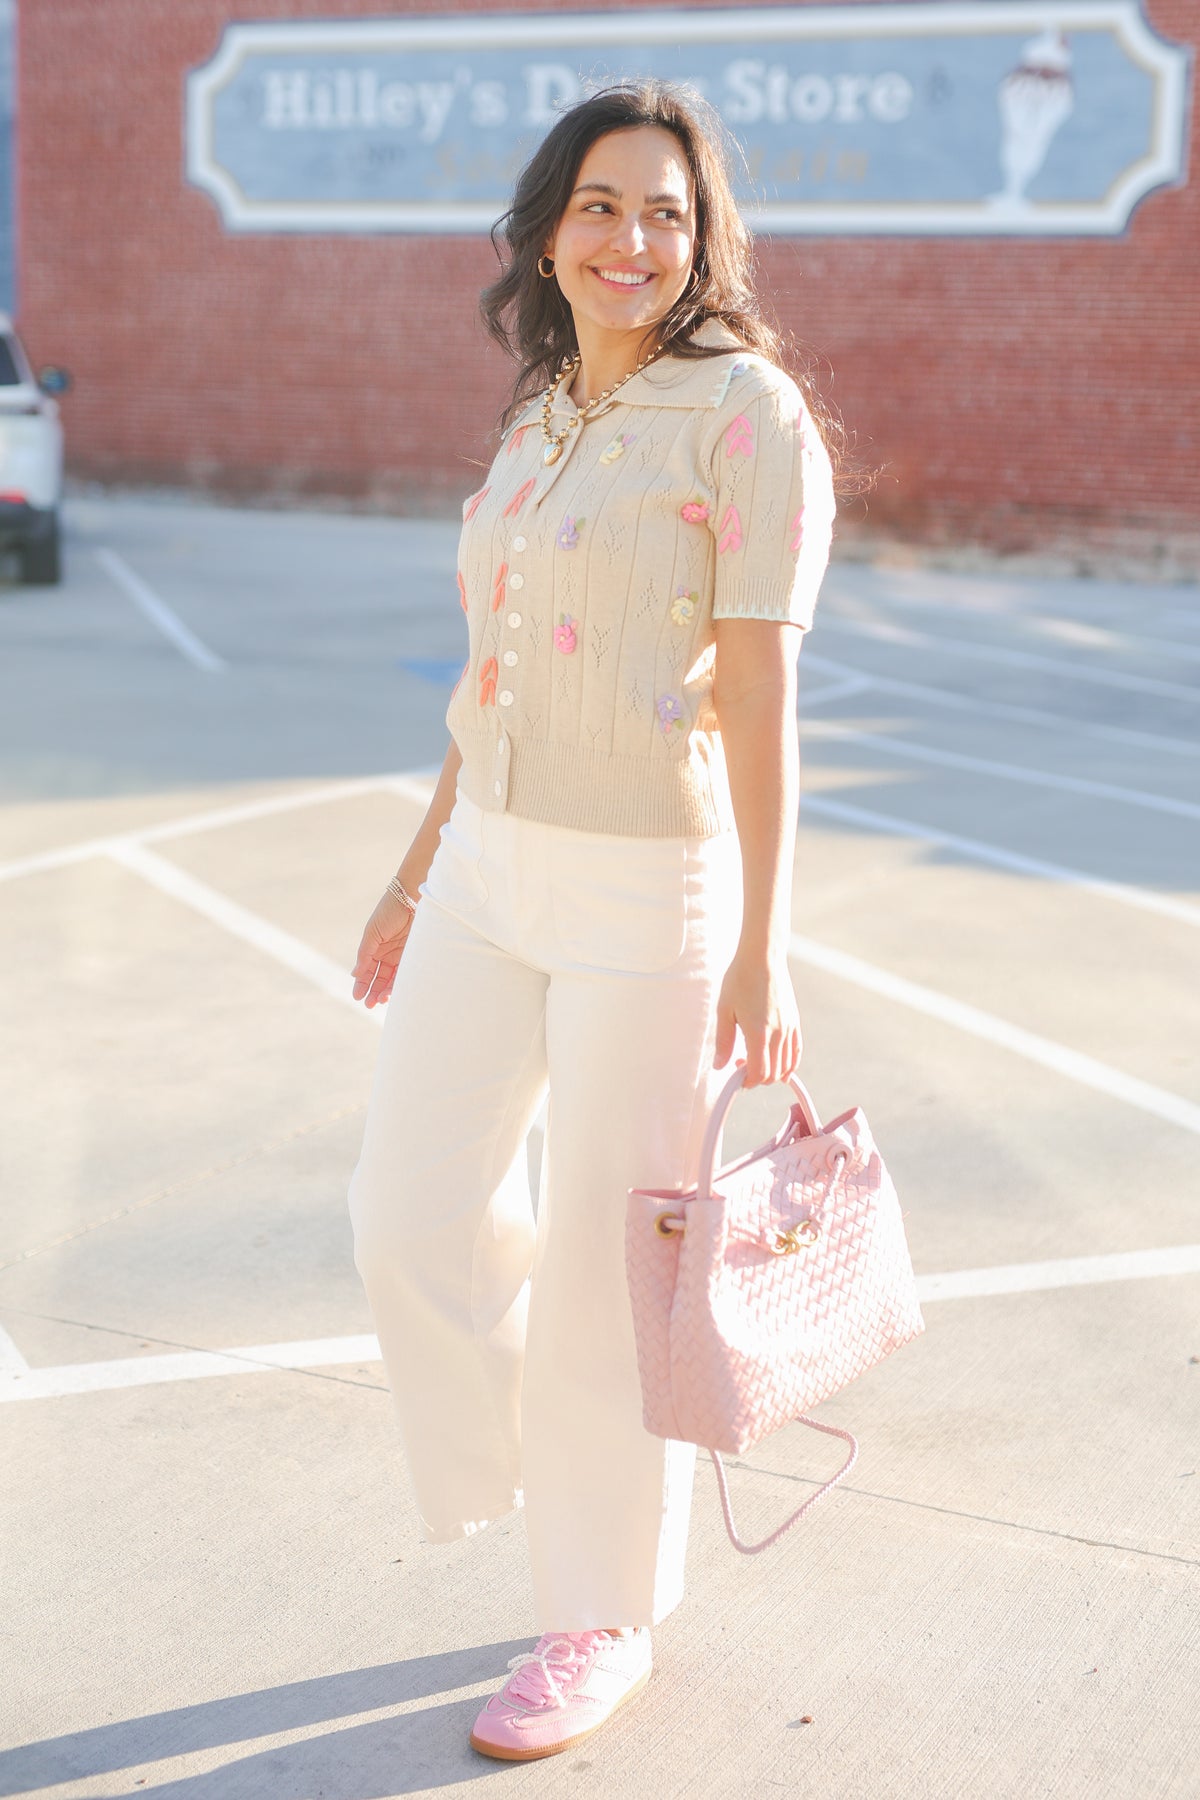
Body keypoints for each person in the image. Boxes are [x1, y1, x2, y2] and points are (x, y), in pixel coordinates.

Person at [347, 79, 840, 1763]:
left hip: (654, 887)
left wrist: (769, 939)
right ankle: (545, 1482)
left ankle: (600, 1608)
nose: (635, 239)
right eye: (603, 206)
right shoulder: (543, 409)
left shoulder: (747, 413)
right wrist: (419, 874)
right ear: (548, 230)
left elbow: (766, 689)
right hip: (490, 862)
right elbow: (488, 674)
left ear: (704, 244)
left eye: (669, 213)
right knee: (406, 1214)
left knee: (599, 1275)